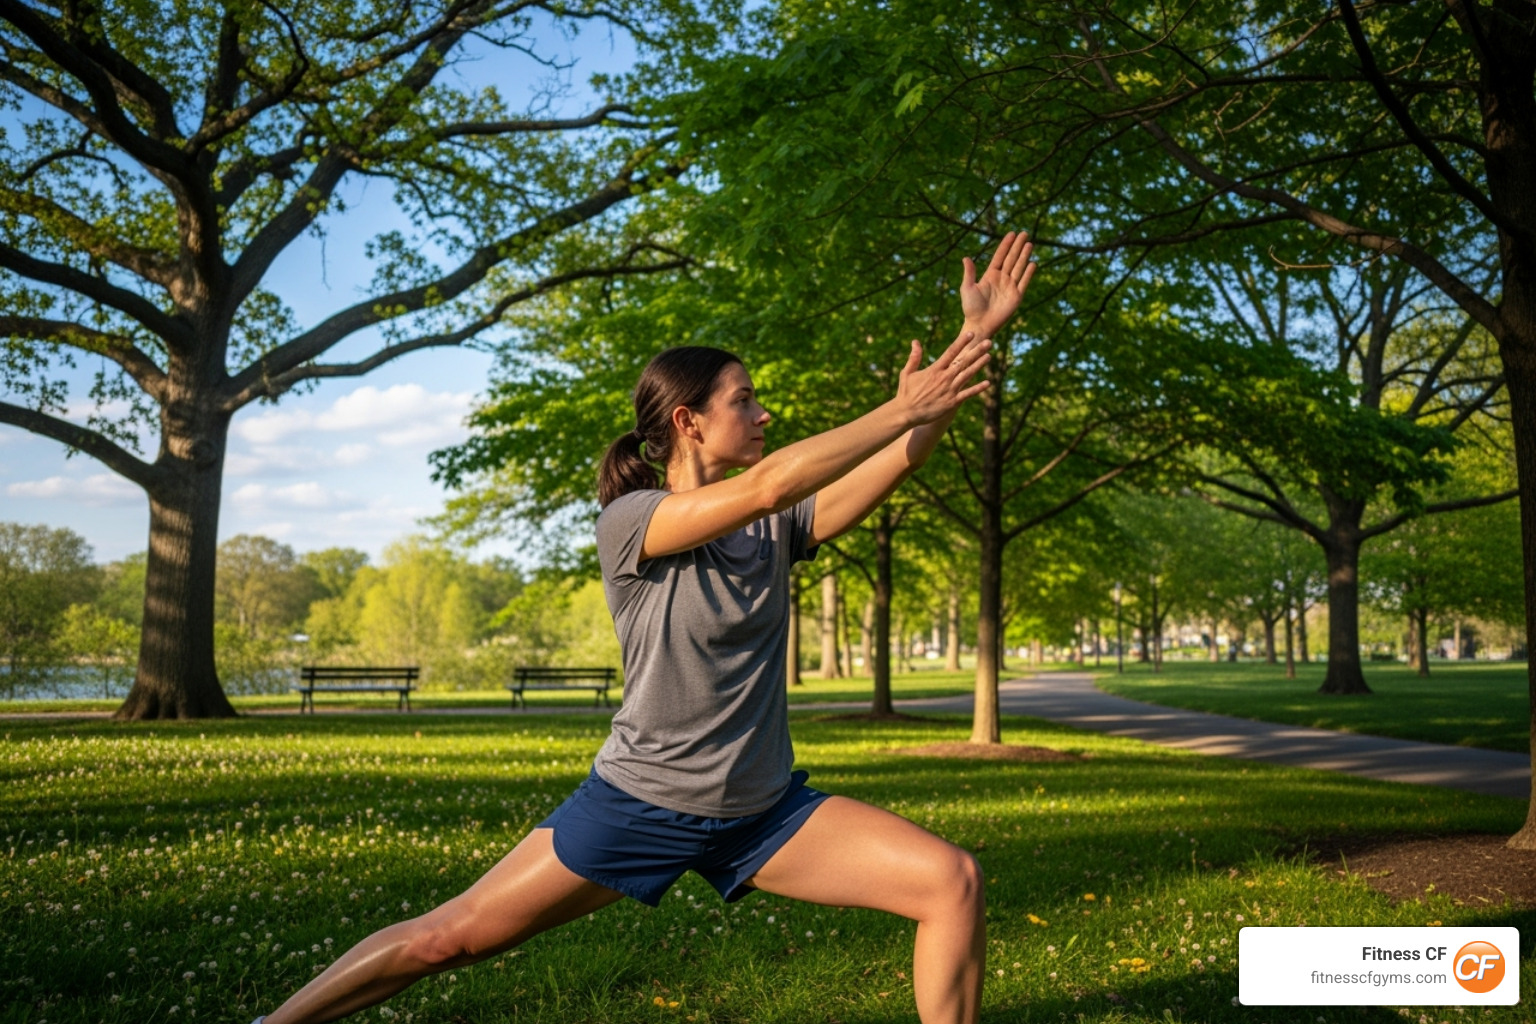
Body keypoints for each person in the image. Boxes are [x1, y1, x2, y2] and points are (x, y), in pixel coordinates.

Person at [252, 230, 1035, 1024]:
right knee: (446, 940)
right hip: (641, 802)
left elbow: (894, 459)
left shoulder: (776, 526)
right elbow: (767, 486)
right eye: (746, 401)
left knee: (952, 881)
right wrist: (900, 405)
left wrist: (969, 342)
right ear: (690, 422)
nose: (764, 413)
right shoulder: (634, 520)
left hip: (759, 813)